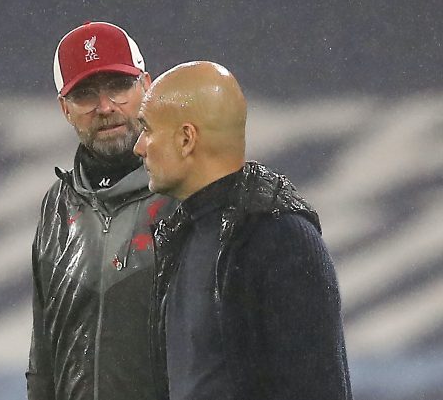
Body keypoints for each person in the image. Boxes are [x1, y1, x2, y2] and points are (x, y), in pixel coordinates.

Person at [134, 61, 353, 400]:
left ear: (186, 139)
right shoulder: (179, 237)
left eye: (147, 129)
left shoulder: (282, 240)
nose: (139, 147)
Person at [26, 22, 177, 400]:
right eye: (85, 94)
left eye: (118, 85)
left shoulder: (187, 192)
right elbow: (43, 358)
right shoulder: (57, 207)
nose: (105, 107)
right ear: (65, 108)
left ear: (147, 86)